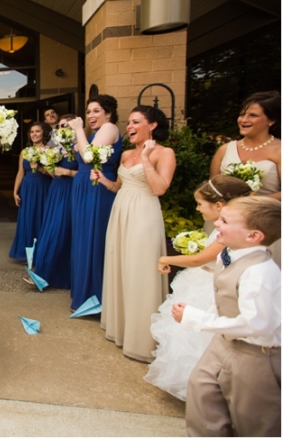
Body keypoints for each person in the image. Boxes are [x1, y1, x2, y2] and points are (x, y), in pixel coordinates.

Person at [174, 196, 280, 436]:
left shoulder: (260, 272)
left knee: (253, 422)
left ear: (253, 236)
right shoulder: (229, 255)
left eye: (225, 221)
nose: (217, 224)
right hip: (223, 344)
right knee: (202, 395)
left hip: (256, 355)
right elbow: (224, 296)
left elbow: (257, 324)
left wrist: (198, 319)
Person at [145, 175, 252, 400]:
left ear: (219, 205)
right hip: (202, 281)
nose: (198, 208)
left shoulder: (227, 232)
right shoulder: (226, 226)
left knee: (195, 340)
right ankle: (191, 386)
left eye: (201, 204)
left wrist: (166, 259)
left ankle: (201, 390)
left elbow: (200, 259)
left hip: (209, 287)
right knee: (184, 336)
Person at [94, 106, 176, 362]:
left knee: (141, 271)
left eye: (136, 122)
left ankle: (142, 339)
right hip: (121, 212)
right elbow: (120, 186)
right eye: (128, 122)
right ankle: (121, 328)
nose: (129, 126)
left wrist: (148, 160)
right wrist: (104, 180)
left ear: (152, 126)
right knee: (121, 266)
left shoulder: (165, 153)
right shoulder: (127, 153)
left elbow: (160, 188)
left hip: (144, 214)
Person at [210, 91, 280, 266]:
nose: (244, 119)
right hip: (226, 223)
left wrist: (248, 202)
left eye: (253, 115)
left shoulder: (280, 150)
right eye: (242, 114)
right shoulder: (225, 150)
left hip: (265, 224)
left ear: (271, 120)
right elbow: (213, 187)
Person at [67, 94, 122, 311]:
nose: (90, 115)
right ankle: (83, 293)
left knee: (92, 238)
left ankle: (94, 296)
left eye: (96, 110)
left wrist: (79, 130)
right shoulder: (98, 133)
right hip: (83, 187)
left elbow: (89, 157)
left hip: (97, 188)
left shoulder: (109, 128)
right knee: (83, 237)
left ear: (108, 113)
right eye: (88, 111)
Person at [33, 114, 78, 289]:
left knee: (60, 231)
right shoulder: (58, 148)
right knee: (50, 229)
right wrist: (48, 164)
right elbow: (53, 174)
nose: (61, 129)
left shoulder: (79, 147)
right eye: (59, 127)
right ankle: (44, 273)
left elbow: (86, 172)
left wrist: (67, 173)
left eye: (65, 126)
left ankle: (52, 275)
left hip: (70, 191)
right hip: (56, 190)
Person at [9, 122, 52, 265]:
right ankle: (25, 252)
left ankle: (41, 253)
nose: (34, 134)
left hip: (43, 186)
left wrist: (40, 168)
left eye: (37, 131)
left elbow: (53, 174)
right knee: (27, 217)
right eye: (32, 132)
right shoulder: (25, 152)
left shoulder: (49, 150)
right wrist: (15, 191)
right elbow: (20, 173)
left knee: (41, 217)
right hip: (27, 187)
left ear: (44, 133)